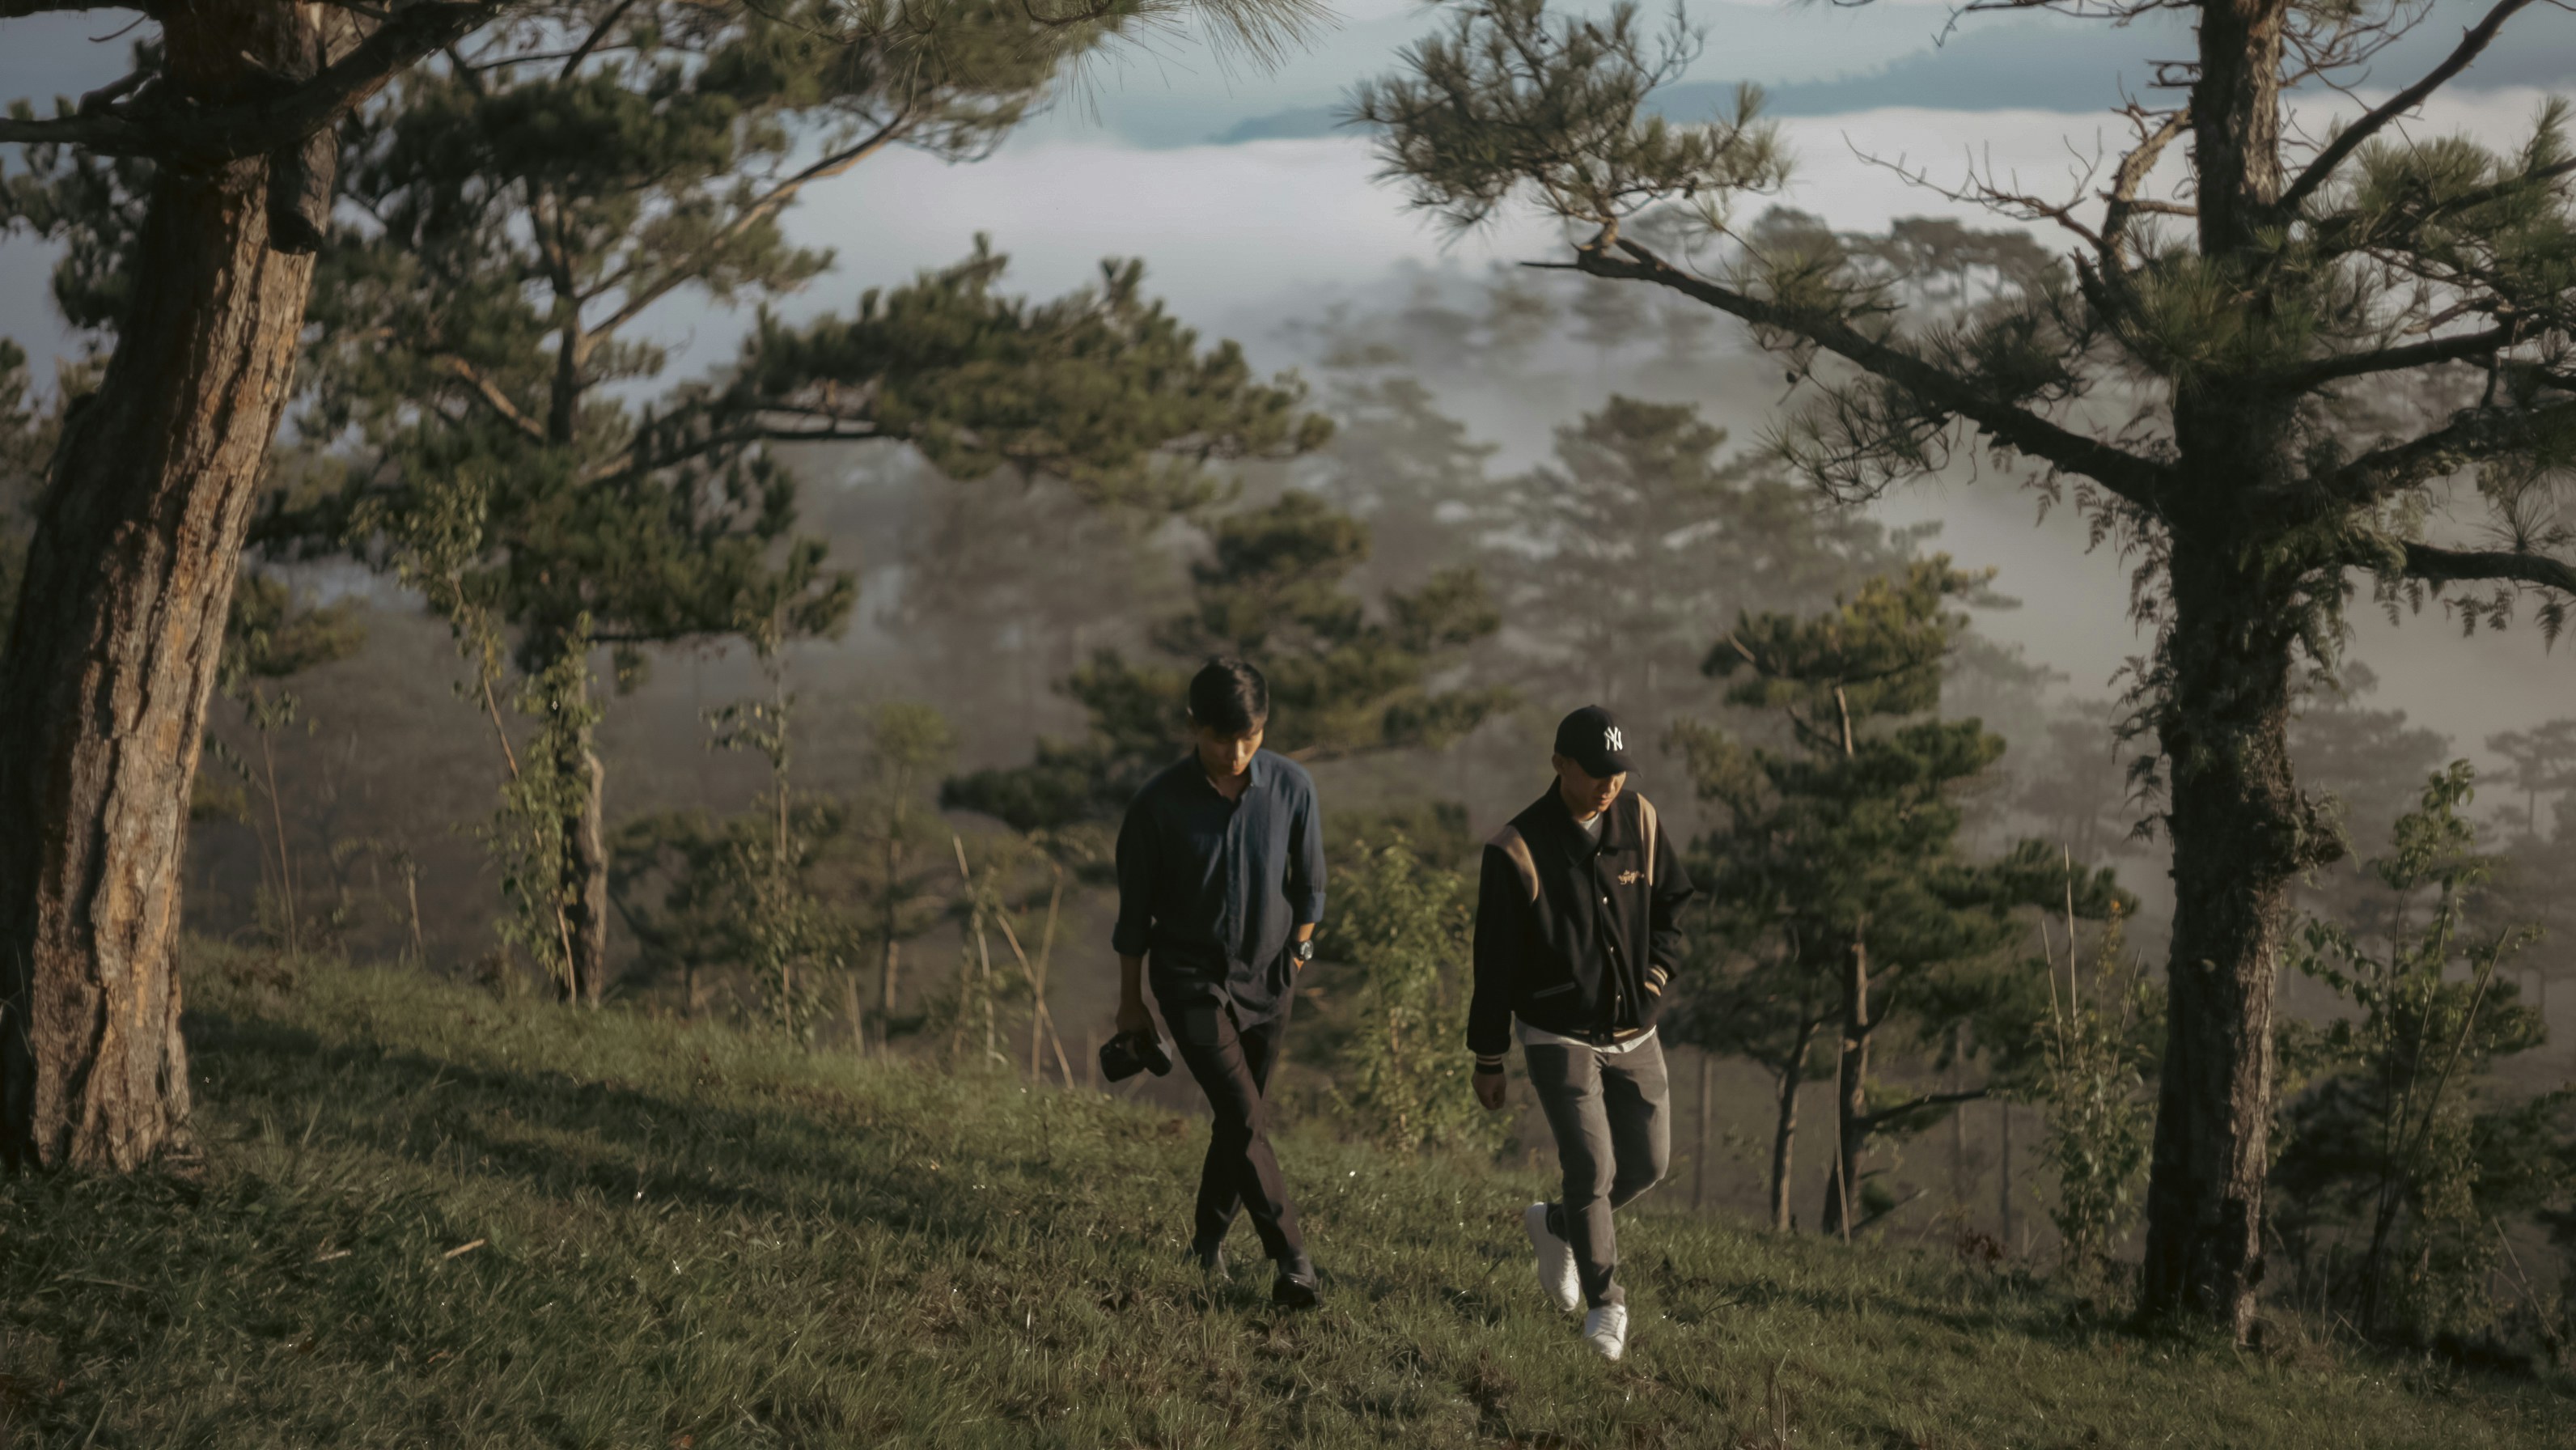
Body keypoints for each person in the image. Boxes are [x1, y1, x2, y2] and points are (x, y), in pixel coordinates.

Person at [1468, 704, 1694, 1360]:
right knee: (1591, 1166)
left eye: (1617, 773)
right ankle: (1607, 1307)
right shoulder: (1514, 849)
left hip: (1635, 1033)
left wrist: (1656, 975)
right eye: (1595, 773)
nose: (1608, 785)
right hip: (1557, 1034)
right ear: (1560, 765)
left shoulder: (1642, 822)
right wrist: (1489, 1056)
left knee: (1647, 1165)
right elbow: (1495, 963)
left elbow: (1675, 905)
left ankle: (1557, 1225)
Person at [1112, 657, 1326, 1307]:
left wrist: (1298, 952)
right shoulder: (1156, 805)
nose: (1236, 753)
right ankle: (1292, 1260)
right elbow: (1133, 919)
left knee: (1243, 1121)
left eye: (1251, 737)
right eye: (1220, 739)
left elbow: (1311, 885)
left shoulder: (1293, 787)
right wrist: (1131, 1004)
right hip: (1190, 982)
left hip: (1271, 980)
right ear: (1192, 726)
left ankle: (1206, 1242)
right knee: (1240, 1113)